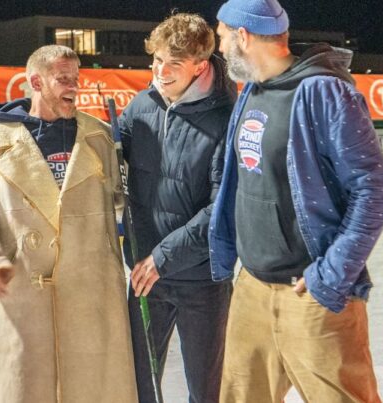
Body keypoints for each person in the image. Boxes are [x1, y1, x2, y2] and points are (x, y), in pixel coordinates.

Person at [210, 0, 383, 402]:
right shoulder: (252, 90)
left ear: (243, 36)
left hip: (311, 296)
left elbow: (375, 188)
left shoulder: (323, 91)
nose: (220, 48)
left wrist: (330, 275)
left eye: (222, 37)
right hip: (252, 289)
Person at [0, 45, 137, 403]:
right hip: (23, 297)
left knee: (95, 390)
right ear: (36, 82)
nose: (74, 87)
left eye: (76, 79)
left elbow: (130, 201)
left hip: (91, 297)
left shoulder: (99, 137)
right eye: (63, 79)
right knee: (25, 388)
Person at [118, 13, 236, 403]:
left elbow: (221, 209)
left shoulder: (225, 118)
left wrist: (163, 257)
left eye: (174, 63)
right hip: (145, 276)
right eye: (157, 60)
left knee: (206, 389)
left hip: (202, 280)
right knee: (138, 383)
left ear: (199, 66)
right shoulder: (141, 106)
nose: (161, 71)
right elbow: (104, 159)